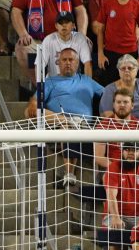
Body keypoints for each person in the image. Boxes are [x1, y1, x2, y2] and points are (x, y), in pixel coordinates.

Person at [25, 48, 104, 186]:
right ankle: (67, 122)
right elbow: (34, 101)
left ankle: (69, 172)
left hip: (84, 124)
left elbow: (108, 94)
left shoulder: (87, 81)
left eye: (71, 60)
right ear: (58, 63)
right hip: (57, 121)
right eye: (64, 60)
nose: (68, 63)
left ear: (77, 63)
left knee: (68, 127)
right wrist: (33, 104)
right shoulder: (50, 81)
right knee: (30, 112)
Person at [11, 0, 87, 85]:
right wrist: (23, 33)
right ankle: (40, 87)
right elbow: (16, 11)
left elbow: (80, 9)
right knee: (21, 49)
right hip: (38, 40)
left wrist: (82, 34)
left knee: (85, 44)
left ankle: (74, 87)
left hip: (65, 38)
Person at [103, 144, 139, 250]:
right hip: (118, 214)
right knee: (114, 228)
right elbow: (111, 195)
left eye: (135, 150)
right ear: (122, 151)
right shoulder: (114, 167)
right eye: (127, 149)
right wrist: (116, 217)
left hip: (137, 216)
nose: (130, 153)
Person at [97, 0, 139, 86]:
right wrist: (100, 53)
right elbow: (100, 30)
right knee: (109, 87)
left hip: (131, 53)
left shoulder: (136, 5)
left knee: (130, 87)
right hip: (110, 53)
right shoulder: (107, 3)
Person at [94, 89, 139, 173]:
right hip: (112, 171)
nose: (122, 105)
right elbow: (99, 157)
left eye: (125, 102)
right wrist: (118, 169)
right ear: (113, 105)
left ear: (132, 105)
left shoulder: (138, 125)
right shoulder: (103, 125)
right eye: (118, 102)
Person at [41, 11, 92, 77]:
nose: (64, 25)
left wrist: (88, 85)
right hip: (53, 82)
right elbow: (39, 65)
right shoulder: (48, 40)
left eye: (67, 22)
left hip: (74, 82)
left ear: (73, 25)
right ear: (56, 26)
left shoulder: (80, 39)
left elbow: (87, 64)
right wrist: (40, 86)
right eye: (61, 23)